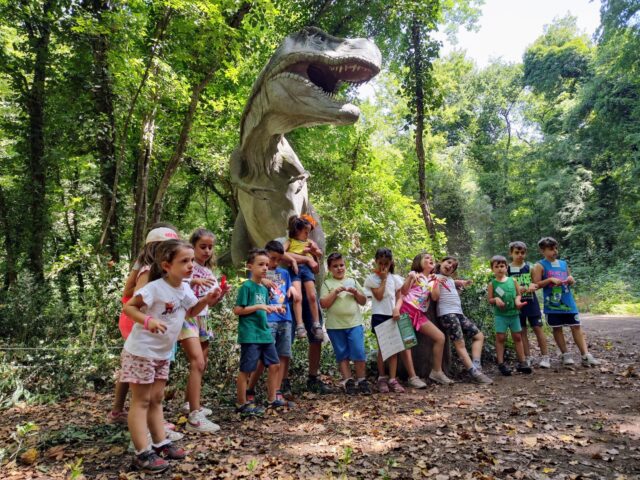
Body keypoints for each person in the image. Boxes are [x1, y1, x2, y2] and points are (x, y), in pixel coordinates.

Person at [122, 239, 222, 473]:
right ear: (167, 265)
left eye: (190, 261)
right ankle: (141, 453)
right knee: (142, 401)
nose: (190, 266)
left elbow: (190, 312)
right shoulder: (154, 288)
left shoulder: (185, 287)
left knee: (157, 399)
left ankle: (160, 444)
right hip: (141, 352)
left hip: (162, 353)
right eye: (184, 261)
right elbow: (129, 307)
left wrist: (208, 300)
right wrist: (149, 320)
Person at [108, 225, 181, 437]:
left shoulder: (144, 266)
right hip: (144, 326)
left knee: (131, 367)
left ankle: (118, 411)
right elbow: (139, 298)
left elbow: (128, 290)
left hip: (138, 323)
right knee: (145, 374)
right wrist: (151, 318)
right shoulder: (149, 270)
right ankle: (149, 422)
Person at [179, 228, 230, 433]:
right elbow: (175, 280)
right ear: (192, 246)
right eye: (203, 246)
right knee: (197, 362)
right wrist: (194, 280)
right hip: (188, 315)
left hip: (204, 316)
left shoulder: (209, 272)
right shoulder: (186, 266)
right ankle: (194, 412)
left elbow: (213, 301)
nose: (207, 251)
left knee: (203, 361)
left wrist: (221, 294)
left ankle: (189, 403)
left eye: (210, 247)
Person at [364, 248, 427, 393]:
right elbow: (379, 296)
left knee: (394, 349)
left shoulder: (396, 278)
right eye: (380, 263)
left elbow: (400, 297)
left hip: (394, 315)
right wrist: (384, 278)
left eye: (386, 263)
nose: (383, 266)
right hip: (379, 315)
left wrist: (397, 309)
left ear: (391, 262)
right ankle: (382, 378)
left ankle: (392, 379)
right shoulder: (372, 279)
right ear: (376, 262)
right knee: (383, 348)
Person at [531, 237, 600, 367]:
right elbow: (536, 284)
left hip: (568, 302)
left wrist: (571, 279)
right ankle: (565, 354)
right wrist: (550, 279)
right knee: (557, 329)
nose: (555, 251)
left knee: (576, 326)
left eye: (556, 248)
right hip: (552, 305)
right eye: (551, 249)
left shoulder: (563, 263)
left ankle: (585, 355)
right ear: (542, 251)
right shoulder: (539, 265)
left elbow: (570, 279)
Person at [233, 249, 284, 416]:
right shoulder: (246, 287)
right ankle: (241, 403)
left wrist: (276, 308)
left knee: (275, 364)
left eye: (266, 265)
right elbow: (238, 310)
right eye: (260, 264)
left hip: (264, 333)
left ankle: (272, 399)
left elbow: (264, 308)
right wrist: (259, 307)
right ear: (250, 266)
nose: (264, 268)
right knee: (247, 369)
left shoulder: (263, 288)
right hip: (250, 334)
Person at [246, 241, 297, 407]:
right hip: (268, 319)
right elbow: (251, 288)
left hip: (285, 317)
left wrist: (292, 291)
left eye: (278, 260)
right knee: (263, 357)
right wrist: (263, 280)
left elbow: (287, 292)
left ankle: (276, 392)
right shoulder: (259, 273)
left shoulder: (284, 273)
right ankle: (249, 389)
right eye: (271, 259)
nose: (274, 264)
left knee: (282, 355)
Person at [435, 256, 493, 384]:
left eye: (453, 266)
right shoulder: (435, 278)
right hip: (447, 314)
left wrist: (461, 282)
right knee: (459, 343)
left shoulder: (449, 279)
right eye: (448, 262)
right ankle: (473, 372)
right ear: (441, 262)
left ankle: (476, 365)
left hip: (458, 314)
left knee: (479, 335)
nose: (450, 266)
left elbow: (453, 282)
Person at [319, 252, 371, 395]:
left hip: (354, 323)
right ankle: (348, 381)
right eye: (335, 266)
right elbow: (323, 303)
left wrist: (355, 293)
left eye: (341, 265)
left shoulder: (353, 281)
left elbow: (363, 301)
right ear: (329, 269)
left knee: (359, 352)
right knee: (342, 354)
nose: (339, 268)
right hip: (335, 326)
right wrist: (335, 292)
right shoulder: (327, 283)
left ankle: (362, 380)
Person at [400, 252, 452, 384]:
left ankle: (436, 372)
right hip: (405, 311)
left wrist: (435, 283)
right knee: (407, 343)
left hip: (418, 315)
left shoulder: (432, 279)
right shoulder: (415, 275)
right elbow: (404, 292)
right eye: (427, 258)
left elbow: (435, 297)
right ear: (419, 262)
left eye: (432, 258)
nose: (431, 259)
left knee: (440, 337)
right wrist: (409, 278)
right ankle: (412, 377)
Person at [487, 255, 533, 376]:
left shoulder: (512, 280)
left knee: (517, 337)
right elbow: (490, 299)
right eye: (496, 266)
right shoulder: (492, 284)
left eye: (502, 266)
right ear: (492, 269)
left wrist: (518, 302)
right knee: (500, 338)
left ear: (506, 267)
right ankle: (501, 363)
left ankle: (522, 362)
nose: (500, 269)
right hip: (500, 316)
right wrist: (496, 299)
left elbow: (518, 294)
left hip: (514, 314)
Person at [507, 241, 550, 368]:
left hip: (531, 302)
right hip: (518, 303)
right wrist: (516, 289)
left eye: (522, 252)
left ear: (525, 253)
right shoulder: (507, 269)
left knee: (538, 328)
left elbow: (536, 283)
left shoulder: (530, 267)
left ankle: (545, 356)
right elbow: (505, 284)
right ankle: (527, 357)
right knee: (522, 331)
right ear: (511, 253)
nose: (520, 255)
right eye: (517, 252)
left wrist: (533, 286)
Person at [283, 215, 323, 341]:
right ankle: (300, 326)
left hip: (307, 270)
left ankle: (316, 324)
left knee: (312, 296)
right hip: (295, 270)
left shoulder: (309, 242)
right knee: (297, 297)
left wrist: (313, 251)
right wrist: (294, 259)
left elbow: (319, 253)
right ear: (297, 231)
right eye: (306, 232)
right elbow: (281, 251)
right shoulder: (290, 241)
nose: (307, 235)